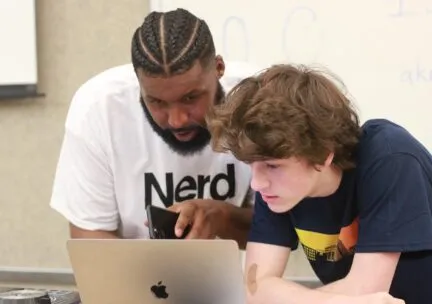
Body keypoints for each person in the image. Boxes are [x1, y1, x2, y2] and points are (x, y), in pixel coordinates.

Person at [207, 64, 432, 304]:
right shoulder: (275, 189)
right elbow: (255, 288)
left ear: (324, 153)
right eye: (250, 164)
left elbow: (366, 291)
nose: (257, 183)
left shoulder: (390, 157)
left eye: (273, 166)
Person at [49, 8, 258, 248]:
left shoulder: (256, 99)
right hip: (133, 279)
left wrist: (221, 216)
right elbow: (90, 238)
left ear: (219, 68)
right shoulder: (98, 108)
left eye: (191, 98)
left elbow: (279, 230)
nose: (176, 120)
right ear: (137, 82)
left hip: (237, 280)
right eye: (157, 102)